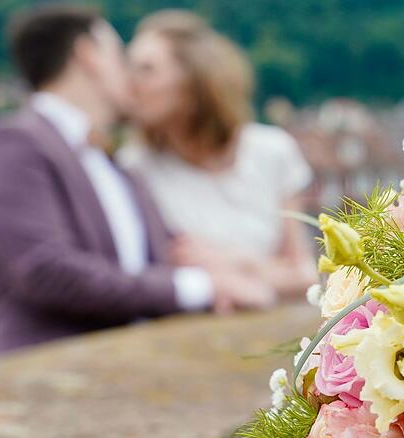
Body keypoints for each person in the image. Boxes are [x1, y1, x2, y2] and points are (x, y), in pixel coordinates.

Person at [0, 5, 271, 359]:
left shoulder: (114, 163)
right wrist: (200, 286)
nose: (129, 75)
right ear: (88, 55)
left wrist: (229, 267)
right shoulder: (13, 140)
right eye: (119, 56)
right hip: (37, 376)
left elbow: (164, 254)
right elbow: (45, 270)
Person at [119, 10, 317, 298]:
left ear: (193, 80)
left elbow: (304, 276)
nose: (130, 84)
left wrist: (235, 263)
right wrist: (262, 274)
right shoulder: (134, 167)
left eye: (147, 69)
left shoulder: (273, 151)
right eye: (129, 68)